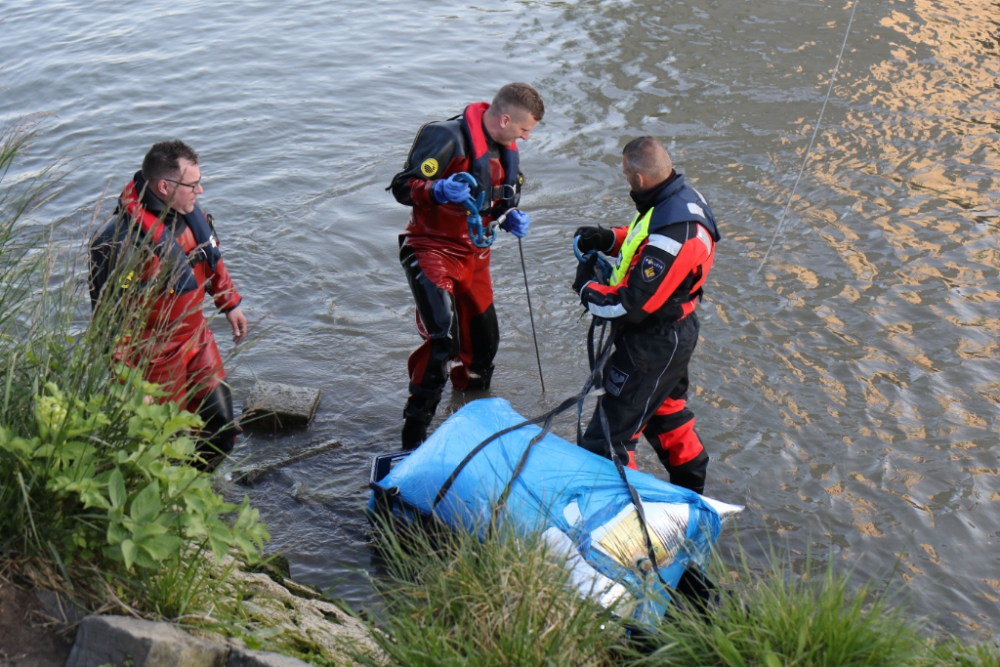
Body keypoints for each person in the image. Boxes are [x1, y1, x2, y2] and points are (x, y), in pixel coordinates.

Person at [390, 83, 544, 450]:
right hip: (430, 248)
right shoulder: (444, 137)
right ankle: (412, 438)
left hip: (475, 256)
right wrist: (436, 190)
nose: (526, 137)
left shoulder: (508, 154)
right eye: (524, 130)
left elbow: (498, 204)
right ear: (505, 119)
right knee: (442, 342)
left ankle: (469, 421)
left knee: (486, 345)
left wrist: (508, 217)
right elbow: (400, 187)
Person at [571, 136, 721, 495]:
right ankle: (691, 491)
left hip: (653, 341)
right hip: (670, 334)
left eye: (626, 176)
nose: (626, 182)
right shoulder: (678, 199)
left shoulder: (676, 232)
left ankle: (625, 519)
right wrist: (609, 239)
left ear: (637, 178)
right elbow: (644, 243)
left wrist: (585, 289)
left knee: (607, 441)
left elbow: (629, 304)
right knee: (666, 416)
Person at [89, 140, 247, 465]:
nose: (200, 190)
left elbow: (211, 259)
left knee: (222, 426)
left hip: (196, 338)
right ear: (164, 186)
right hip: (152, 358)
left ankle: (201, 489)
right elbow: (107, 325)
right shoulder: (117, 242)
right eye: (193, 184)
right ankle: (171, 502)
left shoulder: (189, 213)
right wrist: (131, 382)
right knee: (167, 445)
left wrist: (229, 303)